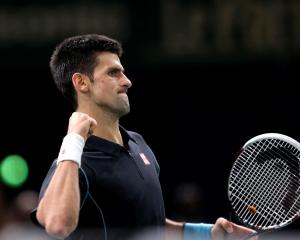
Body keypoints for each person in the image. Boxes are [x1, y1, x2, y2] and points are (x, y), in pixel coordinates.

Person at [31, 34, 257, 240]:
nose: (127, 81)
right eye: (113, 73)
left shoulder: (139, 144)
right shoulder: (75, 163)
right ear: (81, 82)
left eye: (123, 71)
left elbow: (150, 227)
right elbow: (57, 225)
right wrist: (73, 140)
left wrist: (207, 234)